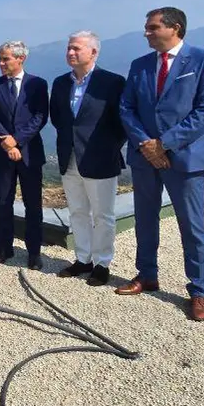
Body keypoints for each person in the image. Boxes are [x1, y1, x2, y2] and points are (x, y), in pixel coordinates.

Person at [117, 7, 204, 322]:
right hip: (144, 156)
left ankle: (199, 292)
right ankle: (147, 274)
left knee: (192, 226)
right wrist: (146, 145)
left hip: (186, 157)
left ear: (174, 28)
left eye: (152, 27)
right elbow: (126, 108)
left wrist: (164, 144)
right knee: (145, 219)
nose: (146, 33)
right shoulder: (140, 65)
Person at [49, 31, 127, 286]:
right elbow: (58, 118)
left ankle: (102, 262)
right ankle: (83, 259)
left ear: (94, 52)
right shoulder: (61, 82)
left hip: (100, 158)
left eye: (76, 49)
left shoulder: (112, 82)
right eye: (69, 48)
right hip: (69, 156)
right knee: (77, 211)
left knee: (103, 215)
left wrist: (109, 148)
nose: (71, 53)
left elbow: (122, 123)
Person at [0, 40, 49, 268]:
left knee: (33, 204)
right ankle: (4, 249)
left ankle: (34, 252)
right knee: (3, 202)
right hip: (2, 154)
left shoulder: (38, 84)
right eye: (0, 58)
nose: (1, 63)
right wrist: (7, 143)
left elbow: (40, 117)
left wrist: (18, 140)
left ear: (21, 59)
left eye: (6, 59)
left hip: (30, 153)